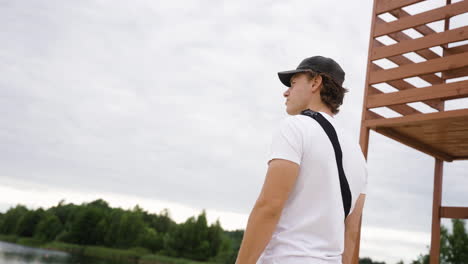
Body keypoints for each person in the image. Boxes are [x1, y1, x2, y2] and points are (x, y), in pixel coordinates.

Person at [235, 56, 368, 264]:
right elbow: (351, 232)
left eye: (294, 83)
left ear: (315, 82)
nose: (286, 92)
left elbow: (269, 206)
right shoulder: (357, 153)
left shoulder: (296, 127)